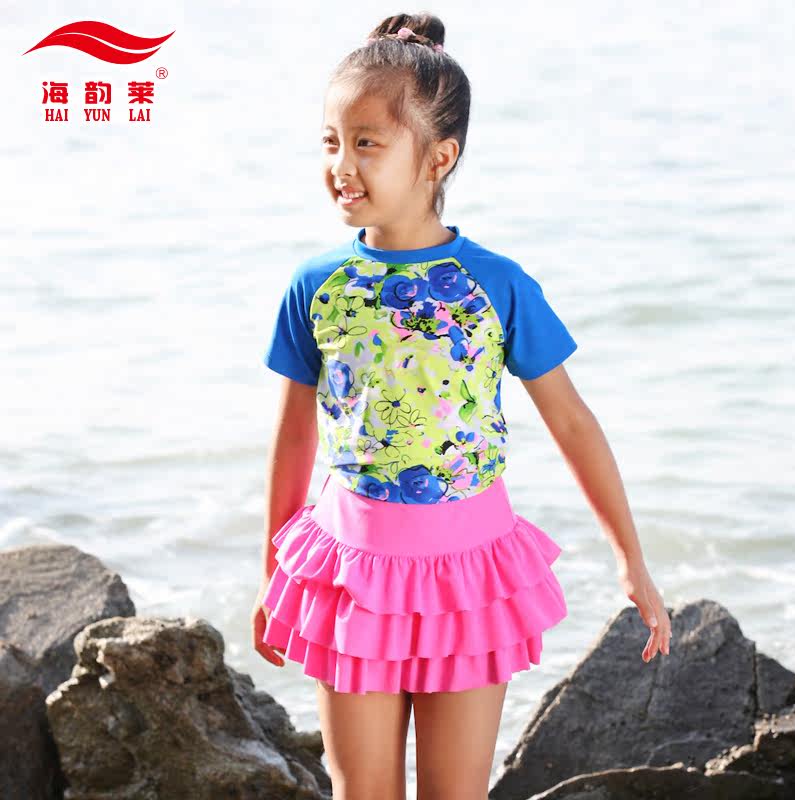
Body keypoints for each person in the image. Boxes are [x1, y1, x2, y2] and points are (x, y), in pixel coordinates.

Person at [250, 12, 671, 800]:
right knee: (362, 791)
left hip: (469, 577)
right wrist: (276, 568)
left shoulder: (498, 283)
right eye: (330, 142)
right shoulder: (314, 286)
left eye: (367, 143)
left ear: (438, 157)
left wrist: (631, 559)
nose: (341, 165)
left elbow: (571, 422)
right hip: (351, 574)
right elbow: (293, 434)